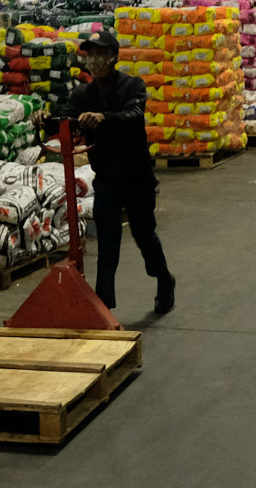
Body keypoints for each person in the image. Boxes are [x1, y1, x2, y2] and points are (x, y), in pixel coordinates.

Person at [69, 32, 175, 314]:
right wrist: (45, 119)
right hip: (106, 180)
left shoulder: (132, 86)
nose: (94, 61)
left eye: (100, 55)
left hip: (137, 178)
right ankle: (103, 310)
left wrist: (105, 119)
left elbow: (133, 115)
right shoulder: (83, 94)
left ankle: (164, 279)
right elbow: (67, 118)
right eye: (90, 55)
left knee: (145, 238)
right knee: (107, 248)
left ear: (114, 57)